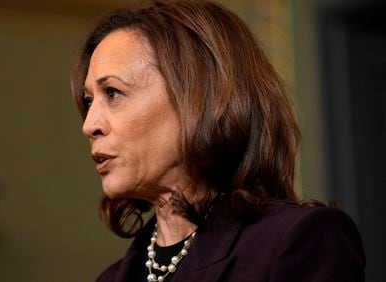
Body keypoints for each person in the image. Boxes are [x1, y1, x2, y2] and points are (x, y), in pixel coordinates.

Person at [70, 1, 366, 281]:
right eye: (88, 100)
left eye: (112, 93)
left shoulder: (301, 241)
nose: (89, 125)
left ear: (196, 97)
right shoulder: (112, 277)